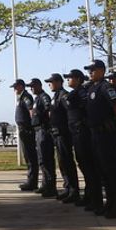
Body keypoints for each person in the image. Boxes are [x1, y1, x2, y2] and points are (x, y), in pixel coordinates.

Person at [83, 59, 116, 219]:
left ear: (102, 71)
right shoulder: (91, 88)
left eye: (93, 70)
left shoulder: (106, 87)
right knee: (102, 172)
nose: (90, 72)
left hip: (106, 134)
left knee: (111, 171)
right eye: (89, 70)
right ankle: (110, 203)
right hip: (95, 134)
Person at [46, 73, 80, 203]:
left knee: (67, 161)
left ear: (59, 82)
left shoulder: (64, 95)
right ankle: (67, 187)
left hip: (64, 133)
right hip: (57, 134)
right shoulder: (56, 96)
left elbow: (70, 113)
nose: (49, 84)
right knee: (62, 162)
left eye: (51, 82)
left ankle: (73, 190)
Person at [65, 68, 96, 209]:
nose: (68, 80)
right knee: (82, 164)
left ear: (77, 79)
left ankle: (92, 197)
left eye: (70, 78)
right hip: (76, 132)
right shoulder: (76, 92)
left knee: (88, 166)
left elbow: (87, 108)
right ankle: (89, 195)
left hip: (82, 131)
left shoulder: (82, 92)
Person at [29, 77, 57, 198]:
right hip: (38, 131)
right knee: (42, 160)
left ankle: (51, 187)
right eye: (30, 86)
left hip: (44, 130)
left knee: (47, 159)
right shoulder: (37, 98)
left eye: (33, 86)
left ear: (39, 86)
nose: (31, 88)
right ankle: (45, 184)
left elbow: (49, 110)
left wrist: (48, 125)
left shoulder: (44, 97)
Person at [12, 79, 38, 192]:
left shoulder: (26, 97)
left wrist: (31, 126)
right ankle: (30, 179)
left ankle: (32, 181)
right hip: (23, 130)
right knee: (28, 156)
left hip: (27, 130)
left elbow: (31, 110)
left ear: (21, 86)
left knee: (30, 156)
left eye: (16, 87)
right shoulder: (21, 97)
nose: (14, 89)